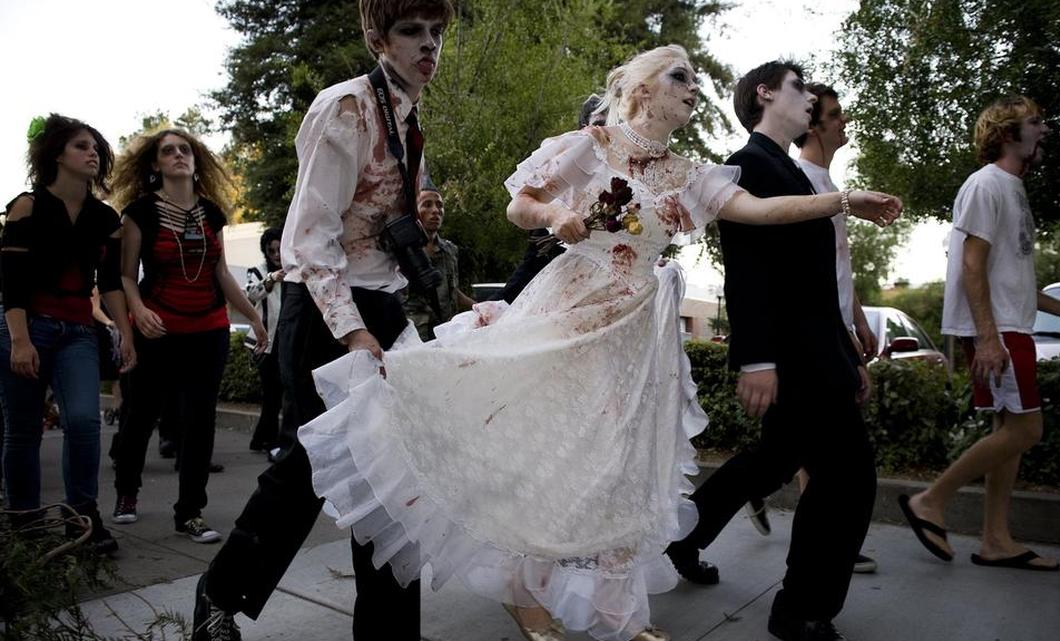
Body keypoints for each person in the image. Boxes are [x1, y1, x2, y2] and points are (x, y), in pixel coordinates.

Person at [296, 45, 900, 641]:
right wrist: (556, 217)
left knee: (619, 466)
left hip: (635, 335)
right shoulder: (593, 145)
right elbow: (521, 204)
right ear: (641, 90)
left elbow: (762, 211)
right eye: (680, 78)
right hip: (569, 309)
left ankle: (616, 606)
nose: (694, 88)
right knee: (548, 453)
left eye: (694, 81)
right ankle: (525, 594)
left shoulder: (692, 175)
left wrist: (844, 200)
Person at [191, 2, 455, 640]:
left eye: (437, 33)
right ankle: (219, 595)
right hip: (328, 312)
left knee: (399, 476)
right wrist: (352, 331)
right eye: (411, 32)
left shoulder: (405, 112)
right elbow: (308, 240)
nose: (428, 46)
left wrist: (414, 226)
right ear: (376, 39)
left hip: (379, 302)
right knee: (309, 472)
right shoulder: (346, 106)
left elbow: (361, 223)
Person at [664, 61, 879, 641]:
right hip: (793, 360)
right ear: (765, 94)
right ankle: (800, 610)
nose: (810, 99)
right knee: (847, 480)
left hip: (817, 354)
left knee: (773, 462)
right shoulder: (751, 164)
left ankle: (682, 540)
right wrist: (757, 360)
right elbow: (749, 274)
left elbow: (818, 281)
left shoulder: (787, 167)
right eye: (799, 88)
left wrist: (848, 353)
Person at [898, 95, 1060, 572]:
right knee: (1026, 429)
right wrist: (989, 339)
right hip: (999, 331)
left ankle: (995, 539)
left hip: (1011, 324)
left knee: (1007, 432)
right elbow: (972, 267)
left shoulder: (1013, 189)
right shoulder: (985, 185)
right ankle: (930, 501)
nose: (1045, 129)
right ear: (1009, 135)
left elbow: (1012, 279)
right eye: (1035, 122)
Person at [108, 127, 267, 545]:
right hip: (158, 327)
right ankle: (127, 490)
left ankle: (190, 512)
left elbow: (220, 273)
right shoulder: (140, 212)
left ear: (196, 162)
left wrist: (253, 317)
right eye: (168, 151)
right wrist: (138, 310)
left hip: (209, 327)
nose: (179, 155)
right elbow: (125, 275)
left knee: (199, 421)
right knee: (141, 413)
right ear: (156, 165)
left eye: (185, 150)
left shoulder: (212, 213)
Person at [745, 82, 878, 575]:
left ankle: (752, 501)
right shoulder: (791, 175)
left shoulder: (822, 182)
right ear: (814, 124)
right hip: (808, 342)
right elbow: (774, 274)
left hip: (832, 333)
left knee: (799, 455)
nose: (844, 122)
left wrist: (855, 320)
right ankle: (810, 582)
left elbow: (835, 266)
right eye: (835, 114)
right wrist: (763, 357)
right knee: (829, 459)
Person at [0, 113, 136, 554]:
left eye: (95, 146)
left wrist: (125, 334)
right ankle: (25, 522)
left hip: (78, 329)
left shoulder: (104, 217)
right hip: (27, 325)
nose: (92, 152)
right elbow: (12, 283)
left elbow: (112, 282)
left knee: (82, 421)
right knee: (23, 430)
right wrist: (19, 341)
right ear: (57, 153)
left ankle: (83, 517)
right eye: (81, 146)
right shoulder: (28, 206)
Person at [491, 94, 606, 303]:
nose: (606, 132)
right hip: (551, 247)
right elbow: (519, 205)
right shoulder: (570, 152)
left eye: (615, 124)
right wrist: (554, 214)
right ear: (583, 127)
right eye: (599, 124)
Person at [401, 185, 475, 340]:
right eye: (427, 205)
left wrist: (479, 307)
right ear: (415, 210)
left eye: (440, 205)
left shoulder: (450, 250)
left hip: (446, 333)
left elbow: (452, 291)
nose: (435, 210)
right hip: (415, 335)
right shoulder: (402, 251)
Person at [245, 226, 292, 455]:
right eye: (271, 250)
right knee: (272, 394)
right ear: (265, 251)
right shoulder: (257, 271)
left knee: (284, 394)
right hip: (263, 343)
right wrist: (271, 279)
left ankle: (264, 439)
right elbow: (251, 294)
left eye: (278, 249)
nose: (275, 254)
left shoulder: (293, 270)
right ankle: (270, 440)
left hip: (286, 341)